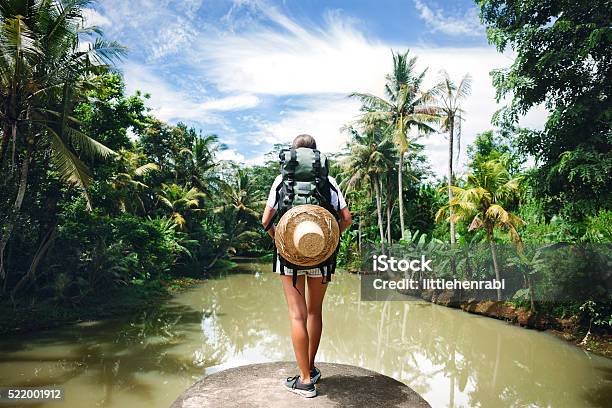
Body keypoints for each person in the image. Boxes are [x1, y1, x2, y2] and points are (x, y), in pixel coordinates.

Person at [261, 134, 352, 398]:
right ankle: (310, 369)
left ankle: (304, 381)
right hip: (321, 255)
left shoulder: (282, 180)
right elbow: (346, 218)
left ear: (293, 155)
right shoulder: (328, 181)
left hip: (289, 256)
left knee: (296, 316)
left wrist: (282, 240)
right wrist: (329, 241)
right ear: (315, 156)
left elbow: (266, 220)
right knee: (314, 312)